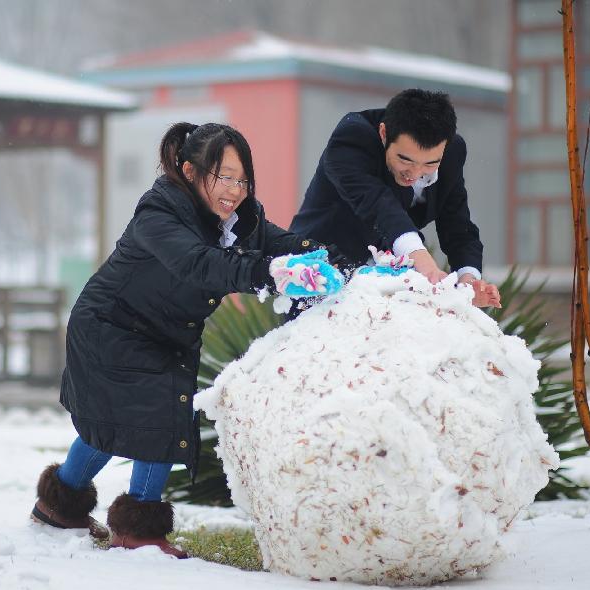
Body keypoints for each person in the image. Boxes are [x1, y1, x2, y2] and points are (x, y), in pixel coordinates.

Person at [30, 122, 343, 558]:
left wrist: (332, 261)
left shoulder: (240, 219)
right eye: (223, 177)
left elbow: (284, 243)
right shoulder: (160, 212)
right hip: (111, 327)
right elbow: (199, 264)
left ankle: (60, 506)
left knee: (116, 421)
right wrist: (268, 274)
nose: (234, 190)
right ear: (191, 171)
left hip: (162, 332)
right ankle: (138, 530)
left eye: (241, 179)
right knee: (152, 417)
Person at [289, 88, 501, 309]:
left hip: (392, 281)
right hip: (321, 274)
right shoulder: (352, 138)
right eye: (405, 160)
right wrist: (421, 260)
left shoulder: (453, 152)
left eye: (430, 164)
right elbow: (378, 204)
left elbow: (456, 222)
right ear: (383, 133)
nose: (415, 173)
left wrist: (468, 281)